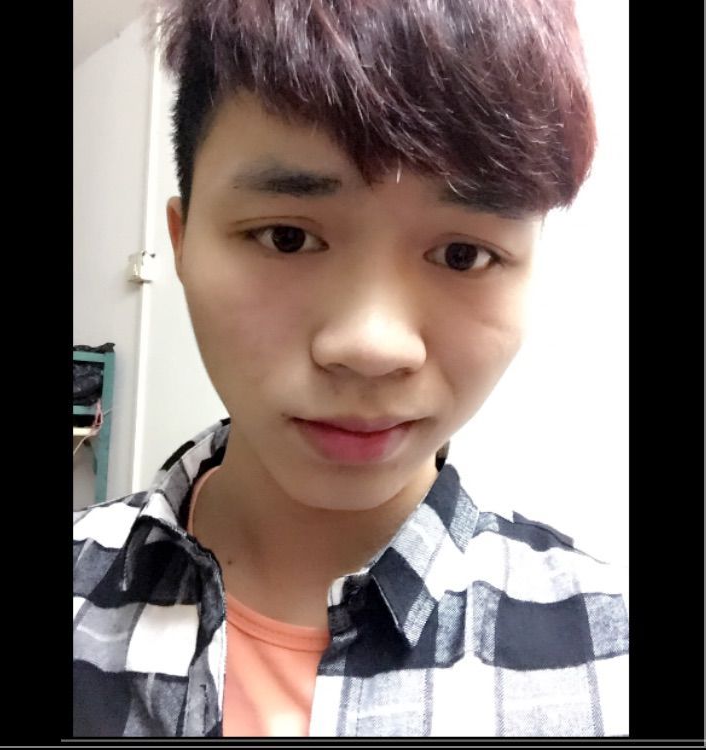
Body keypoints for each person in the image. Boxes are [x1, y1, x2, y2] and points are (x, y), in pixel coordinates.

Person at [72, 0, 628, 737]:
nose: (371, 346)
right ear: (181, 243)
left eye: (463, 254)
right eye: (286, 237)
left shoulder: (609, 664)